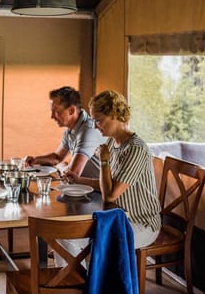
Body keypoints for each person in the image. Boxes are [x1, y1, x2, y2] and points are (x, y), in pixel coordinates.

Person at [65, 90, 161, 248]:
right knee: (66, 236)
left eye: (98, 120)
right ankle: (82, 273)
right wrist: (80, 180)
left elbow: (109, 196)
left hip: (141, 223)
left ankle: (89, 273)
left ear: (114, 114)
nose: (96, 126)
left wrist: (104, 161)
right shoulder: (111, 143)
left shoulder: (135, 148)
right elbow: (108, 184)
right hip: (116, 218)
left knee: (87, 241)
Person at [24, 86, 106, 176]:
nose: (52, 116)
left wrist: (61, 166)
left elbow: (71, 174)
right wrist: (35, 160)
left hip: (96, 189)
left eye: (56, 111)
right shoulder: (70, 129)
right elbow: (57, 157)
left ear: (71, 110)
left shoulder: (87, 131)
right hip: (81, 186)